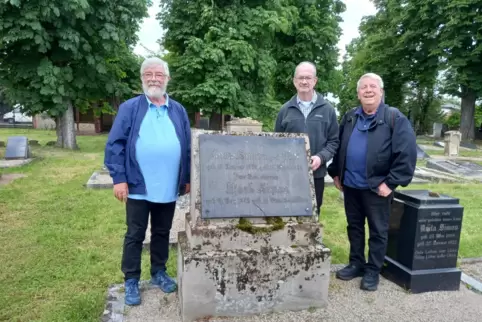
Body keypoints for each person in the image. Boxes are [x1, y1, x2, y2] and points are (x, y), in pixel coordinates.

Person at [104, 57, 191, 305]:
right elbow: (115, 144)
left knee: (162, 231)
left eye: (159, 74)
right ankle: (131, 280)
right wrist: (119, 178)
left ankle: (158, 272)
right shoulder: (130, 108)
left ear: (167, 79)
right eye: (149, 75)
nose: (154, 79)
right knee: (135, 233)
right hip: (138, 184)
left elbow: (185, 147)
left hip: (168, 185)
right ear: (142, 79)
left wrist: (186, 179)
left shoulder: (178, 110)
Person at [327, 73, 417, 291]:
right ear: (358, 93)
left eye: (372, 87)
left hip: (378, 188)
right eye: (363, 87)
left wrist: (391, 183)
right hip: (351, 186)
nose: (368, 90)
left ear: (381, 91)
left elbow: (406, 153)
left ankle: (372, 270)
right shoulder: (350, 117)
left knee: (378, 231)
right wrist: (336, 172)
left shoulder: (394, 117)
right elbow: (340, 146)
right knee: (354, 227)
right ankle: (356, 263)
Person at [275, 62, 339, 215]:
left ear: (315, 81)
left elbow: (334, 141)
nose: (304, 81)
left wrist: (320, 158)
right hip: (288, 176)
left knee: (312, 215)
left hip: (315, 175)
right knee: (287, 213)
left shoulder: (328, 110)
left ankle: (311, 239)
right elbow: (275, 143)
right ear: (294, 81)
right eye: (301, 78)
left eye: (308, 78)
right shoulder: (285, 110)